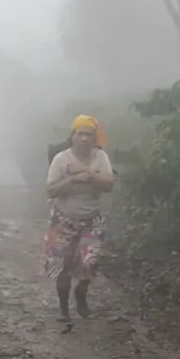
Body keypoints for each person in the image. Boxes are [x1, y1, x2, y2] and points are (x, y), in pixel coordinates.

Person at [44, 115, 115, 321]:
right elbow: (51, 190)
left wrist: (89, 174)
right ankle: (63, 309)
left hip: (92, 220)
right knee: (62, 266)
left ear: (95, 138)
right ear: (72, 136)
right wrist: (73, 179)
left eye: (89, 135)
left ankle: (81, 294)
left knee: (90, 263)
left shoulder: (101, 158)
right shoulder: (61, 159)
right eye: (80, 134)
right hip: (63, 219)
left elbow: (109, 185)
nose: (84, 139)